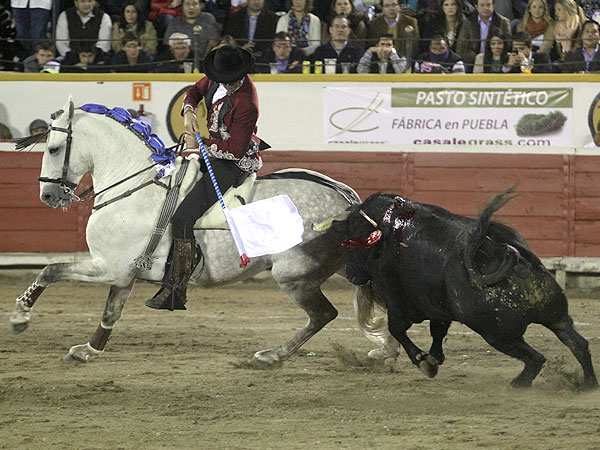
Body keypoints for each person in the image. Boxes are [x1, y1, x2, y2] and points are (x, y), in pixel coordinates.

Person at [146, 45, 265, 311]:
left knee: (183, 217)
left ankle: (176, 290)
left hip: (232, 162)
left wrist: (200, 145)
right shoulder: (217, 77)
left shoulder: (247, 102)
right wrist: (188, 111)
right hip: (210, 150)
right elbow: (194, 91)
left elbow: (235, 150)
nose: (220, 81)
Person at [456, 0, 511, 71]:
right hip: (474, 59)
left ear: (493, 6)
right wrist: (479, 58)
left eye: (488, 5)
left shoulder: (503, 22)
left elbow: (508, 45)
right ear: (476, 7)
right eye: (482, 5)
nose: (485, 8)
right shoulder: (468, 22)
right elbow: (461, 48)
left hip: (497, 58)